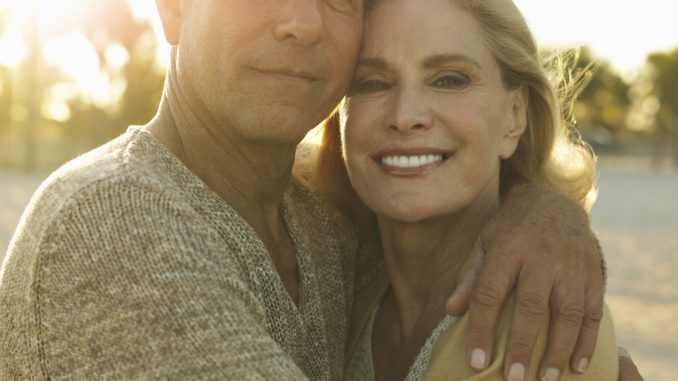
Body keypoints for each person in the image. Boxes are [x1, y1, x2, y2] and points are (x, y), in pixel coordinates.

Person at [0, 0, 628, 379]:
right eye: (376, 83)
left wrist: (541, 208)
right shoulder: (111, 223)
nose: (302, 22)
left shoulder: (325, 224)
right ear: (173, 7)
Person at [322, 0, 624, 379]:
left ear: (515, 116)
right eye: (371, 83)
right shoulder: (335, 290)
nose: (404, 116)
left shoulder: (543, 325)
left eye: (449, 79)